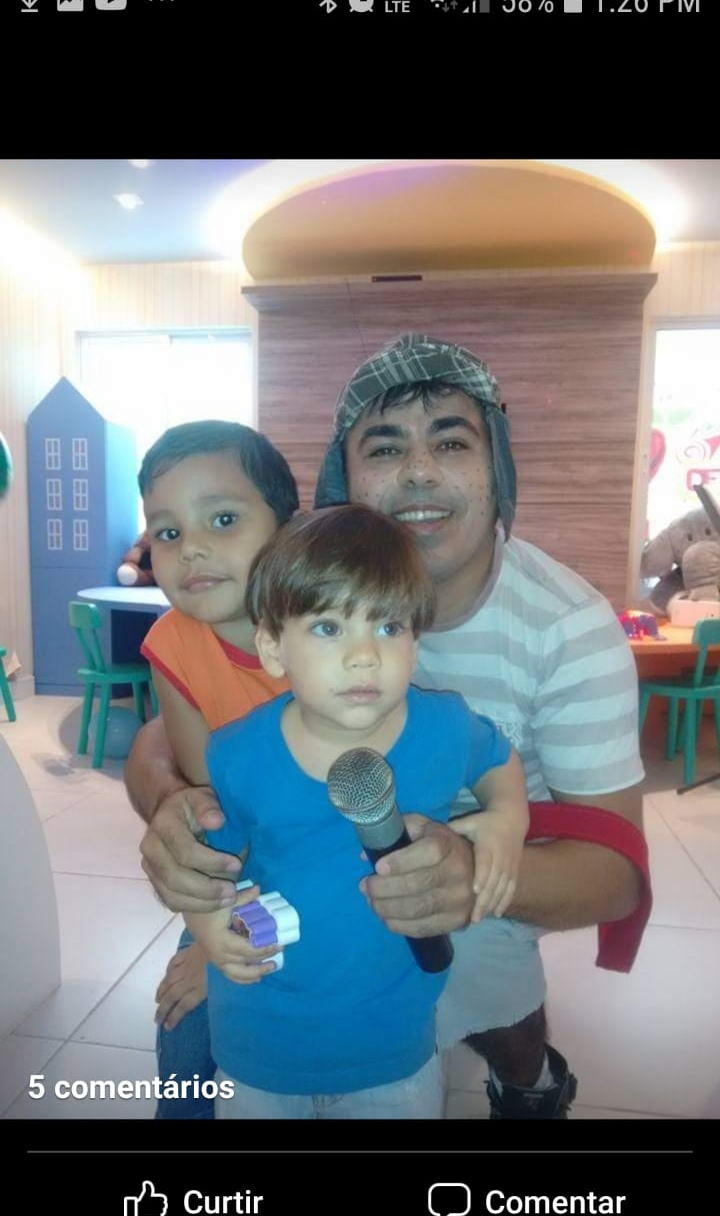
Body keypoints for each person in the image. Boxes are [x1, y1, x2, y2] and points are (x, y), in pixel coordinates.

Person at [128, 333, 646, 1120]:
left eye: (452, 441)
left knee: (473, 971)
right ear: (342, 483)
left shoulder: (567, 628)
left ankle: (527, 1078)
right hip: (286, 870)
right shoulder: (301, 596)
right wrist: (172, 814)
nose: (420, 471)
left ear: (497, 469)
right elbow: (174, 739)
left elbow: (618, 873)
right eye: (385, 447)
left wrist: (479, 868)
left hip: (494, 865)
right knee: (198, 1050)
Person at [185, 504, 528, 1117]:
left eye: (389, 627)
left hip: (393, 1042)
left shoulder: (444, 726)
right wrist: (207, 926)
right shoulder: (238, 753)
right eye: (328, 628)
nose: (364, 655)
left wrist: (508, 819)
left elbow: (497, 759)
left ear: (416, 643)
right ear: (272, 646)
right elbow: (206, 866)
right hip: (261, 1034)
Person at [136, 418, 299, 1116]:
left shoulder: (331, 626)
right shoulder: (172, 643)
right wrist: (215, 934)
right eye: (168, 532)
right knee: (185, 1040)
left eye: (223, 519)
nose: (192, 548)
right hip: (242, 875)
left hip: (344, 871)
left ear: (287, 530)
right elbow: (213, 809)